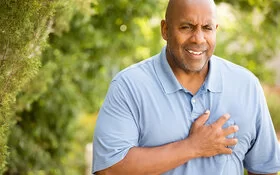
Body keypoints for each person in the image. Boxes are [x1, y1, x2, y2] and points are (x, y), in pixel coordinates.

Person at [92, 0, 280, 174]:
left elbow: (265, 168)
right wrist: (193, 147)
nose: (198, 39)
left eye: (207, 28)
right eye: (186, 27)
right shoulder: (129, 86)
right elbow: (109, 169)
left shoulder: (246, 85)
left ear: (216, 29)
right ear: (165, 30)